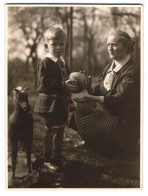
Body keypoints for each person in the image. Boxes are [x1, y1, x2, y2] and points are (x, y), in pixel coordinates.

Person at [73, 31, 140, 154]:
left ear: (126, 47)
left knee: (109, 151)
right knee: (79, 106)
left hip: (121, 121)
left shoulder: (133, 72)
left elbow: (119, 100)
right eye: (108, 45)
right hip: (107, 114)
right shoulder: (110, 66)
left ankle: (104, 144)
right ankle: (90, 139)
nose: (110, 48)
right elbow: (99, 88)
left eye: (114, 45)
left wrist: (93, 98)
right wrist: (89, 87)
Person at [34, 25, 78, 170]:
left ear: (66, 44)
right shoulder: (46, 62)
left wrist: (76, 80)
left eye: (62, 44)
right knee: (49, 130)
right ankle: (47, 160)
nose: (59, 47)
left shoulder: (62, 62)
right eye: (54, 44)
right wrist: (63, 85)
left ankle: (57, 156)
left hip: (60, 103)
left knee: (60, 130)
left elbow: (68, 79)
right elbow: (44, 83)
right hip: (50, 103)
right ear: (47, 46)